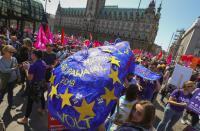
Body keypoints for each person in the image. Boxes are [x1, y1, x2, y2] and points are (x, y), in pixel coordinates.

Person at [17, 49, 46, 124]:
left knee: (30, 101)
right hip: (42, 83)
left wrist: (26, 69)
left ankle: (25, 119)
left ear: (35, 55)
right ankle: (43, 110)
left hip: (35, 84)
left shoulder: (33, 65)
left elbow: (30, 78)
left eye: (32, 54)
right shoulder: (43, 62)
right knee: (42, 96)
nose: (30, 55)